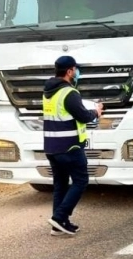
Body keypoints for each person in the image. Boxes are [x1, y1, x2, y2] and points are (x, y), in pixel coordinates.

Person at [43, 55, 103, 235]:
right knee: (81, 181)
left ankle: (58, 225)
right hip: (70, 147)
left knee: (60, 184)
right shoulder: (69, 93)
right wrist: (96, 111)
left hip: (52, 147)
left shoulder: (48, 92)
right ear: (69, 71)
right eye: (75, 69)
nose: (77, 72)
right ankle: (58, 217)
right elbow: (83, 116)